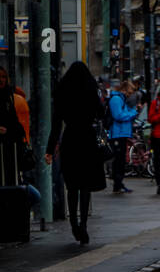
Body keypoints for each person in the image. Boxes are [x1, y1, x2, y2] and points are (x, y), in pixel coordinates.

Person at [44, 61, 106, 245]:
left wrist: (49, 150)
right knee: (85, 186)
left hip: (70, 141)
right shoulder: (90, 92)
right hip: (87, 141)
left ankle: (73, 224)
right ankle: (84, 224)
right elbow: (101, 114)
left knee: (72, 186)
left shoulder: (63, 94)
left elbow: (56, 126)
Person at [106, 77, 139, 193]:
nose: (130, 95)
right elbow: (118, 115)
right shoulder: (116, 99)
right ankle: (117, 183)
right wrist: (133, 113)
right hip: (117, 133)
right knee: (118, 160)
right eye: (129, 92)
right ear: (125, 90)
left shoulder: (121, 99)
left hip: (121, 133)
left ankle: (119, 183)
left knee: (120, 160)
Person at [0, 67, 26, 186]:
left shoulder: (10, 97)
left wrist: (8, 131)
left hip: (10, 150)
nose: (1, 80)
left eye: (4, 77)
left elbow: (16, 124)